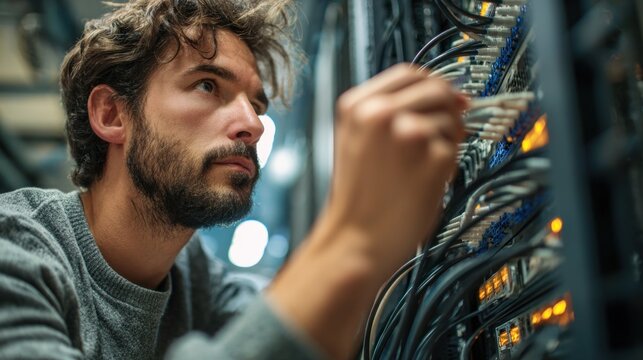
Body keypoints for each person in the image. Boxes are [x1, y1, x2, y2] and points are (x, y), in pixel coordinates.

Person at [0, 0, 467, 359]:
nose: (254, 124)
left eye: (257, 104)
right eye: (208, 85)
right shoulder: (17, 253)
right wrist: (353, 241)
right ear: (111, 114)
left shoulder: (191, 274)